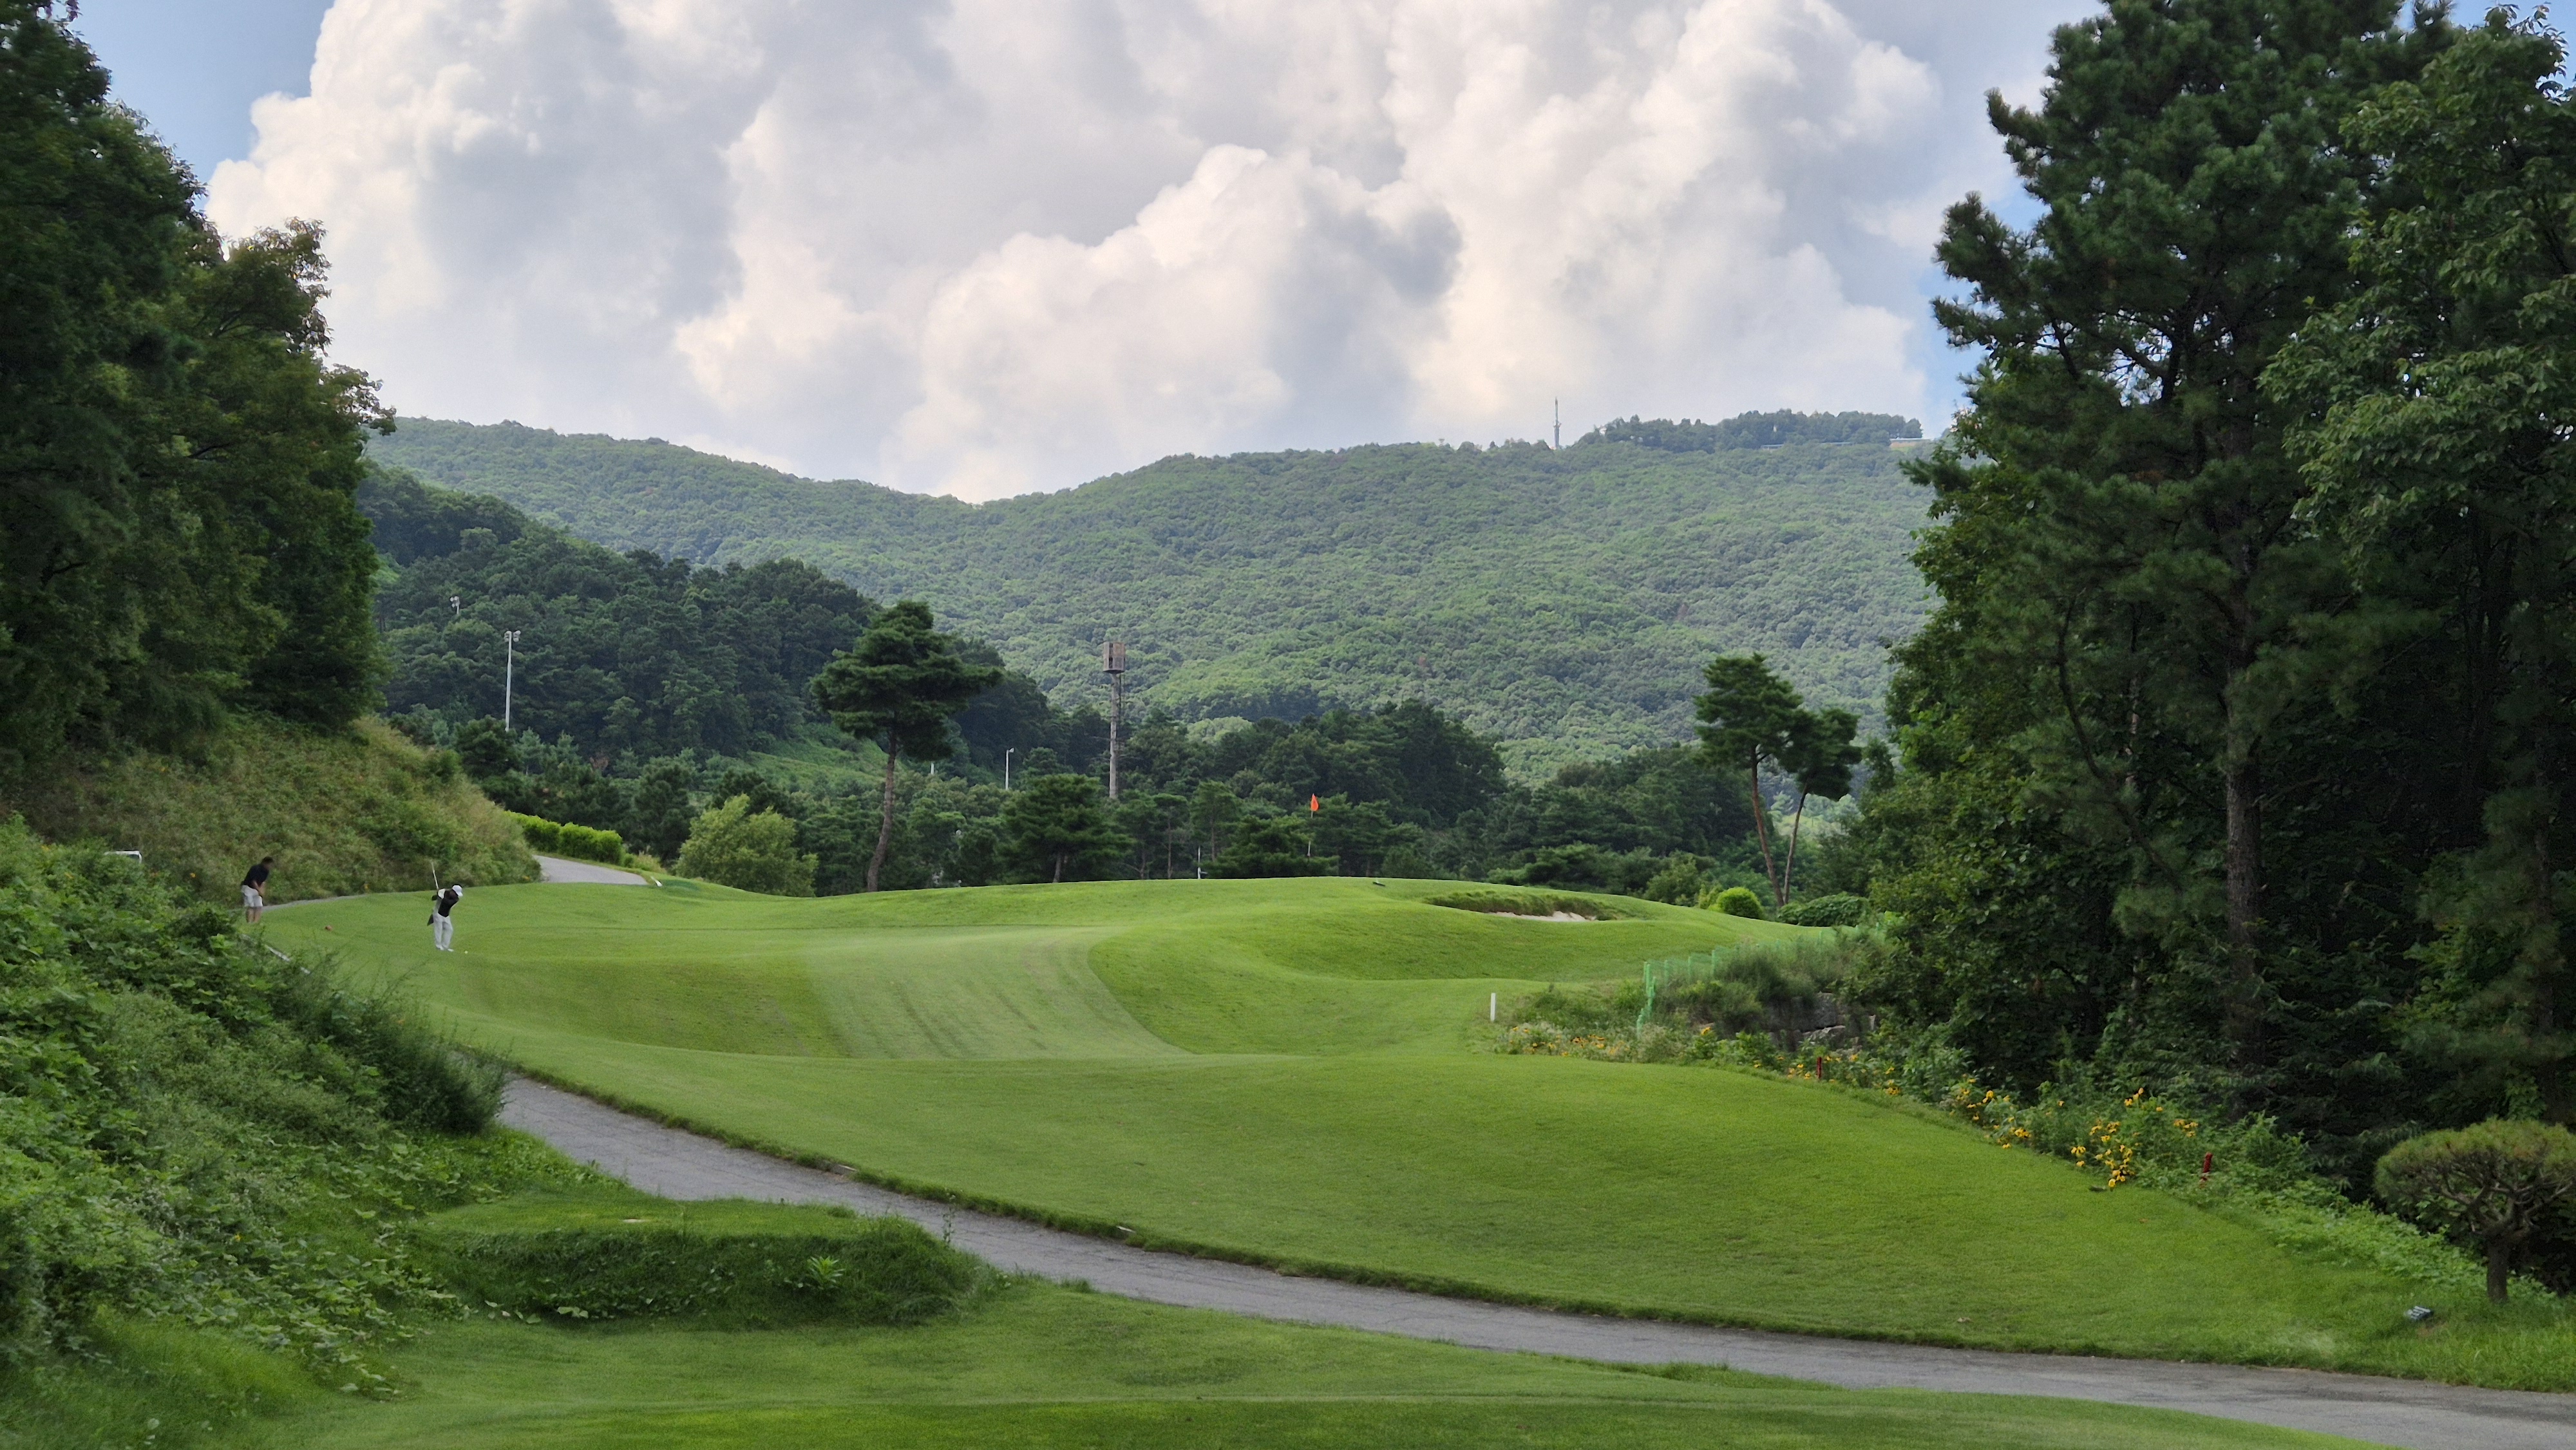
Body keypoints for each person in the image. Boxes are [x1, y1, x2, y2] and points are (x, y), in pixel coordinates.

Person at [429, 883, 464, 951]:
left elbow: (448, 903)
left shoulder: (456, 899)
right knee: (439, 930)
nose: (457, 895)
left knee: (449, 929)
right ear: (452, 891)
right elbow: (433, 898)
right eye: (456, 894)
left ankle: (445, 946)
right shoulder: (443, 892)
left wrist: (442, 897)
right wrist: (438, 895)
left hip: (446, 915)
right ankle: (438, 946)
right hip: (437, 913)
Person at [241, 856, 274, 924]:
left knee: (259, 906)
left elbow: (263, 882)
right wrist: (259, 891)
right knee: (251, 906)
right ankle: (249, 923)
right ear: (265, 863)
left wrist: (262, 892)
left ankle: (255, 923)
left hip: (257, 889)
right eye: (270, 865)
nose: (270, 867)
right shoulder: (255, 868)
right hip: (248, 888)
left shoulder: (266, 871)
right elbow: (253, 882)